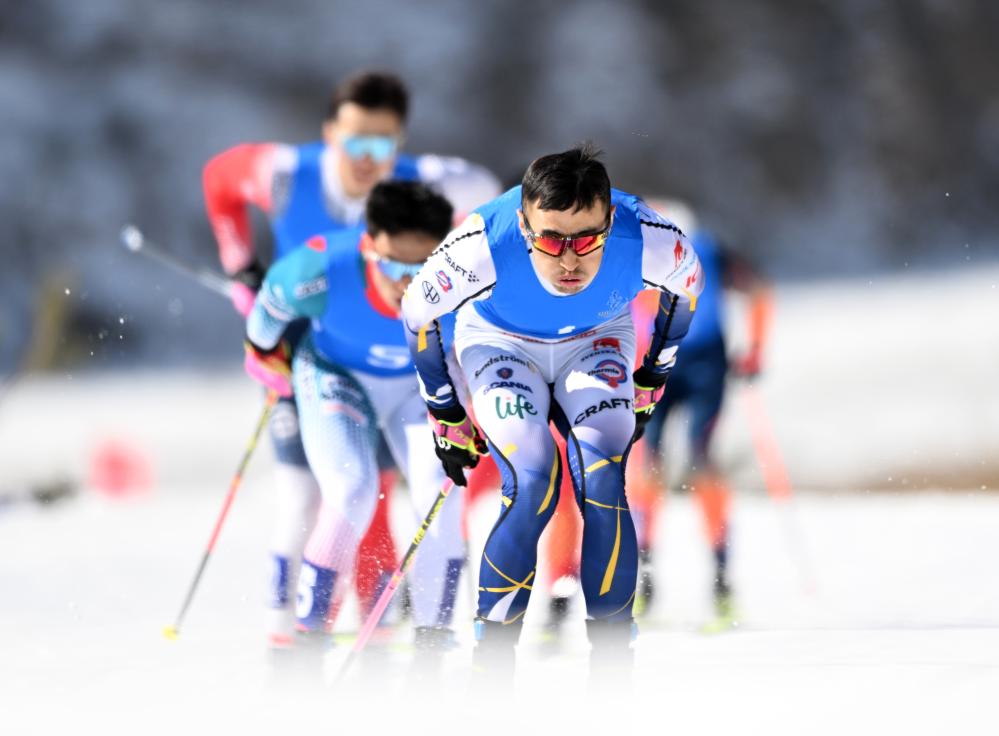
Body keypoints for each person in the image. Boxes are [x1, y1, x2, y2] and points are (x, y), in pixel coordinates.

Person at [201, 71, 500, 645]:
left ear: (400, 141)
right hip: (312, 345)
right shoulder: (285, 174)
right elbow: (219, 180)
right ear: (329, 134)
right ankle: (292, 635)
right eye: (355, 140)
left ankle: (394, 628)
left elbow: (497, 203)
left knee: (412, 491)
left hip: (406, 364)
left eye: (382, 143)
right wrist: (242, 267)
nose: (367, 156)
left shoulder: (431, 185)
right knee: (316, 493)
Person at [400, 144, 704, 676]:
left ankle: (613, 662)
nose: (569, 260)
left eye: (587, 240)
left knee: (603, 477)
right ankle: (493, 660)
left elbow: (687, 290)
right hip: (500, 343)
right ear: (523, 224)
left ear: (610, 221)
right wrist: (445, 412)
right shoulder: (481, 244)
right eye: (550, 240)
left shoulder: (649, 238)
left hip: (595, 339)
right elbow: (417, 313)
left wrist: (655, 373)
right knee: (533, 479)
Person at [243, 181, 465, 661]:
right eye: (395, 267)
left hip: (417, 383)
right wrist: (264, 355)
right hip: (336, 375)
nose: (409, 285)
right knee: (351, 491)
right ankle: (307, 642)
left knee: (441, 493)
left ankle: (432, 647)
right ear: (368, 246)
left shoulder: (467, 274)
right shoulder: (318, 269)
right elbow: (263, 325)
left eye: (424, 268)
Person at [626, 201, 773, 626]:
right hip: (671, 365)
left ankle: (707, 580)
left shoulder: (673, 251)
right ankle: (665, 578)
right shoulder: (703, 248)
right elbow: (760, 292)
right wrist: (754, 349)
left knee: (681, 462)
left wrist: (756, 349)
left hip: (682, 364)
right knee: (666, 462)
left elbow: (759, 291)